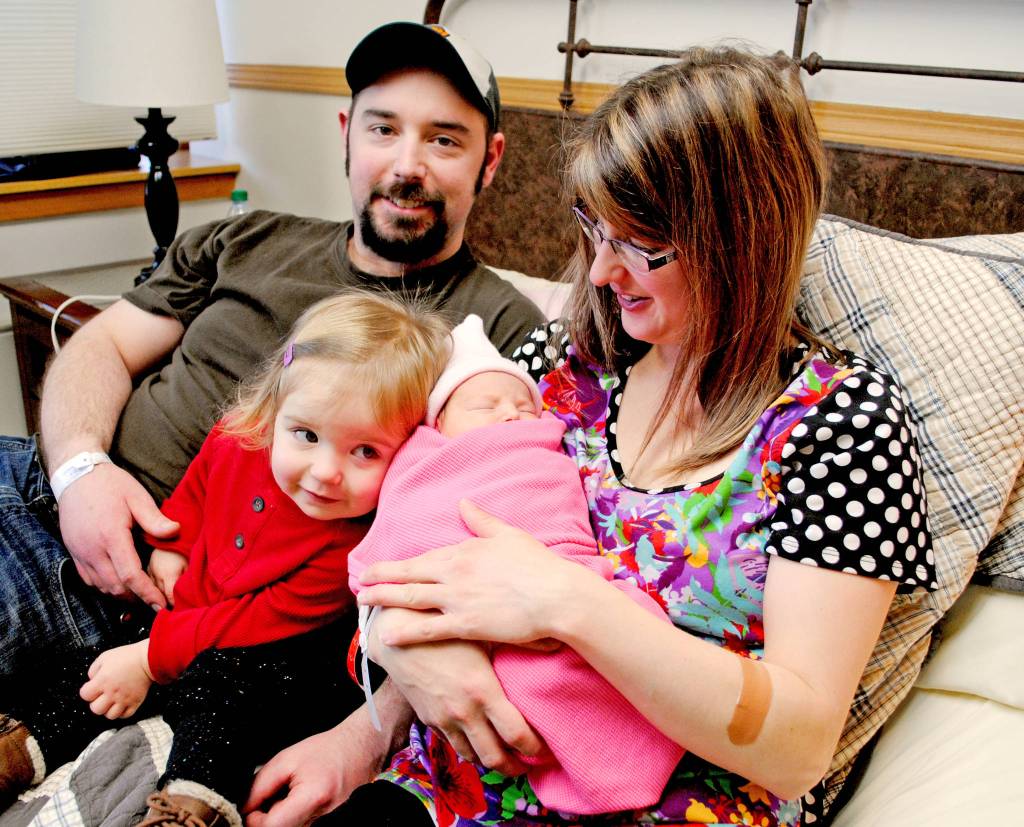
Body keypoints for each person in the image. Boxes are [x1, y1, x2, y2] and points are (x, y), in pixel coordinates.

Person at [248, 48, 937, 826]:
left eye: (642, 243)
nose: (603, 270)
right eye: (594, 229)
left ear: (744, 234)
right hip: (441, 789)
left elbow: (797, 746)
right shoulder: (556, 368)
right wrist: (369, 720)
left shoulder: (843, 428)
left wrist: (563, 599)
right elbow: (417, 531)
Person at [0, 21, 544, 681]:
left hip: (134, 590)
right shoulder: (249, 237)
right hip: (46, 476)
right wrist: (80, 472)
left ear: (491, 160)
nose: (407, 166)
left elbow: (501, 514)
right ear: (346, 133)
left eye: (444, 139)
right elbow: (104, 343)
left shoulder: (497, 336)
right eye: (382, 129)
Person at [0, 292, 451, 824]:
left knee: (219, 695)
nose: (325, 472)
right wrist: (174, 545)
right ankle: (21, 749)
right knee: (93, 668)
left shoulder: (352, 546)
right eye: (306, 435)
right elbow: (198, 487)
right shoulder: (241, 437)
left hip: (273, 659)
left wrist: (149, 660)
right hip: (187, 615)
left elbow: (250, 623)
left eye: (365, 451)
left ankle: (194, 803)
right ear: (275, 410)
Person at [346, 313, 684, 816]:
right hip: (438, 760)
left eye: (526, 407)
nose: (512, 416)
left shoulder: (811, 418)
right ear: (437, 424)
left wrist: (559, 596)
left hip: (581, 603)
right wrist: (388, 639)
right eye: (487, 407)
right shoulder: (554, 354)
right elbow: (398, 552)